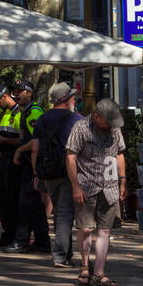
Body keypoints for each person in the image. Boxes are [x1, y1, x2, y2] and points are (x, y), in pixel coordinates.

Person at [66, 98, 127, 286]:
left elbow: (119, 154)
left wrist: (123, 181)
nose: (110, 125)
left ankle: (100, 273)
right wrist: (75, 186)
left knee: (105, 230)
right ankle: (85, 267)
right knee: (85, 228)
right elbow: (70, 156)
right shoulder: (81, 127)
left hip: (109, 186)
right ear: (97, 116)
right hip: (87, 185)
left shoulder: (114, 129)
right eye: (107, 121)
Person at [29, 82, 83, 268]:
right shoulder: (76, 119)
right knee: (65, 214)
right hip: (69, 172)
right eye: (72, 98)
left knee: (60, 212)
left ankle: (65, 253)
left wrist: (37, 172)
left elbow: (35, 148)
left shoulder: (42, 119)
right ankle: (60, 256)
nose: (74, 100)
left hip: (48, 172)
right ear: (66, 100)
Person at [9, 80, 49, 254]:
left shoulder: (34, 112)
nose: (17, 94)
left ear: (29, 93)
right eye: (15, 91)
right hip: (28, 164)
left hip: (32, 165)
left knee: (25, 204)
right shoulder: (25, 111)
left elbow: (36, 141)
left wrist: (19, 150)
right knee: (34, 205)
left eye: (20, 91)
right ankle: (42, 241)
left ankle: (22, 241)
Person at [0, 84, 23, 248]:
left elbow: (24, 140)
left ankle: (17, 235)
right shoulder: (6, 113)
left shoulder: (21, 112)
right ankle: (7, 233)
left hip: (16, 160)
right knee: (3, 199)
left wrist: (3, 140)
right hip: (3, 159)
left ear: (4, 97)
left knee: (13, 199)